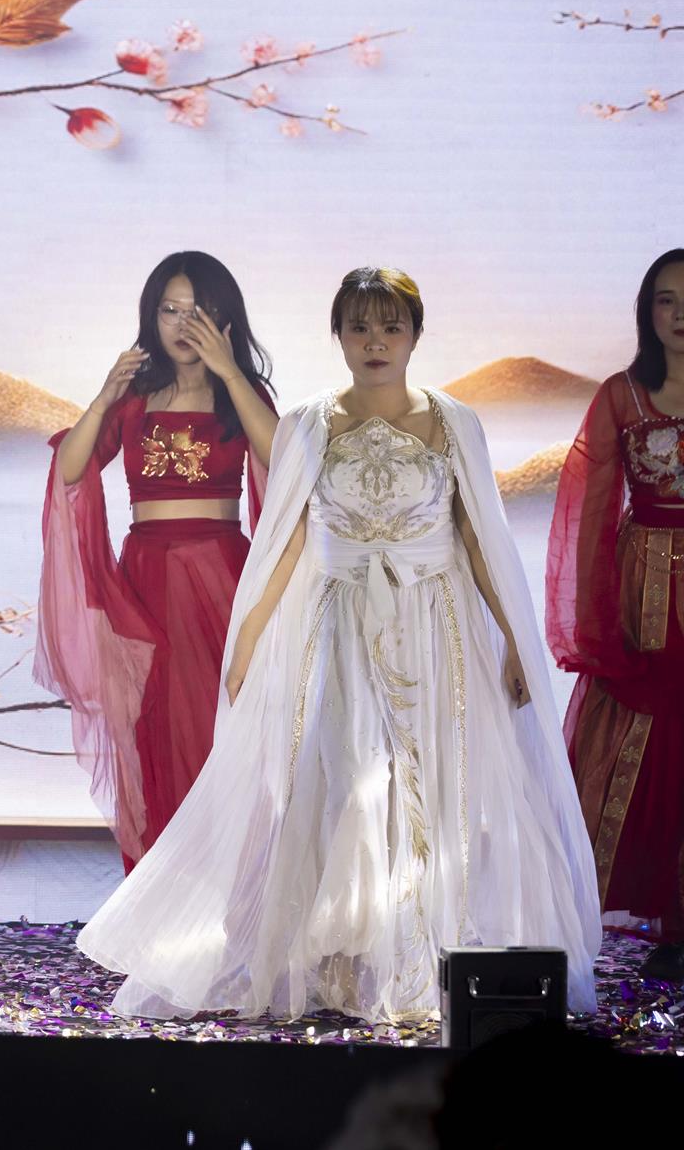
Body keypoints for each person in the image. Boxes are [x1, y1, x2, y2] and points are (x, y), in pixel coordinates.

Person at [78, 266, 601, 1021]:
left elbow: (475, 537)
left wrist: (516, 640)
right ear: (339, 337)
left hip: (435, 626)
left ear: (415, 335)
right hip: (339, 626)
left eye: (391, 327)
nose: (375, 342)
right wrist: (249, 636)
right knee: (351, 782)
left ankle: (423, 957)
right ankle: (346, 960)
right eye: (359, 327)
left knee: (432, 787)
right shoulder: (309, 422)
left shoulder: (454, 421)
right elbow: (288, 536)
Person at [35, 251, 277, 867]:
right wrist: (102, 398)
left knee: (223, 728)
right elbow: (70, 472)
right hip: (145, 582)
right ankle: (165, 892)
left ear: (226, 319)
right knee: (153, 734)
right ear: (152, 316)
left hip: (221, 577)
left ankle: (232, 885)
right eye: (170, 310)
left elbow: (286, 461)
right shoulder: (134, 399)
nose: (183, 324)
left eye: (200, 311)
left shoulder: (241, 395)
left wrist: (232, 374)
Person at [548, 248, 684, 980]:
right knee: (643, 735)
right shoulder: (621, 396)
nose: (681, 314)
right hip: (642, 592)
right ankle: (659, 916)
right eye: (666, 300)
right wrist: (594, 618)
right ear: (647, 312)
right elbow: (592, 513)